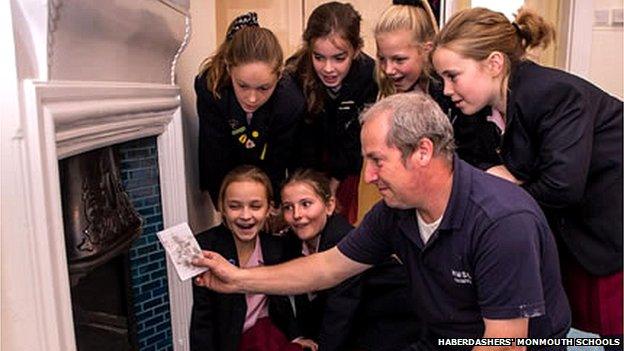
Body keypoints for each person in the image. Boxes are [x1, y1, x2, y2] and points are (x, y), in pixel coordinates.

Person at [193, 93, 572, 350]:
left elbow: (505, 343)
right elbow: (327, 267)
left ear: (422, 151)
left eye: (377, 160)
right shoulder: (396, 211)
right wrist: (238, 278)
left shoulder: (501, 222)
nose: (369, 176)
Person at [431, 7, 623, 345]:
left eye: (453, 76)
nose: (446, 90)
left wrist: (509, 181)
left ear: (493, 63)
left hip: (606, 233)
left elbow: (562, 187)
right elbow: (471, 167)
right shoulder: (478, 112)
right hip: (571, 237)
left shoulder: (551, 94)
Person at [357, 0, 501, 222]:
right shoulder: (380, 90)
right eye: (382, 59)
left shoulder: (456, 97)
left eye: (399, 60)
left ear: (427, 49)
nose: (388, 69)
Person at [281, 169, 420, 351]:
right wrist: (299, 337)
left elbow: (340, 308)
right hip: (360, 317)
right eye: (288, 207)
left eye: (306, 204)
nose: (297, 214)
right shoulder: (292, 242)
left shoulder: (341, 239)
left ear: (329, 205)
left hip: (397, 317)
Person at [189, 165, 315, 351]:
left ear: (269, 209)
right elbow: (202, 319)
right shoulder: (205, 248)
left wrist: (295, 336)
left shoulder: (276, 247)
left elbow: (287, 298)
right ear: (221, 207)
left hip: (267, 340)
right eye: (234, 206)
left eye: (255, 206)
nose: (245, 215)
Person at [195, 12, 304, 205]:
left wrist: (272, 204)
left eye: (264, 88)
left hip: (265, 165)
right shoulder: (211, 87)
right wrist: (224, 204)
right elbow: (214, 152)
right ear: (229, 70)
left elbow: (279, 159)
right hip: (227, 165)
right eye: (243, 86)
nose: (252, 98)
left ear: (279, 76)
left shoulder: (290, 101)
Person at [286, 2, 378, 223]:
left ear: (356, 50)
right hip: (305, 160)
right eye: (319, 57)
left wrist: (333, 186)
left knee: (339, 219)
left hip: (348, 163)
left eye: (339, 58)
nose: (328, 68)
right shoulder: (294, 74)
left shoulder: (369, 75)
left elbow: (355, 140)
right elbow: (297, 140)